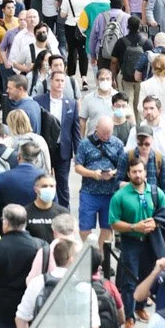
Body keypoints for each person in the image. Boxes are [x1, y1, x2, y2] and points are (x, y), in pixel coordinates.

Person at [109, 156, 165, 328]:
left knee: (147, 277)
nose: (137, 174)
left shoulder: (156, 192)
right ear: (128, 173)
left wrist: (154, 224)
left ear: (145, 172)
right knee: (129, 281)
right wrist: (134, 227)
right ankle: (129, 317)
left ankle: (141, 307)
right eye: (134, 171)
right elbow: (113, 222)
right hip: (131, 242)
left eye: (140, 171)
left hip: (151, 242)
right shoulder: (120, 196)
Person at [74, 116, 125, 246]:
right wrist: (92, 174)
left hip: (110, 193)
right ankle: (92, 250)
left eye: (109, 133)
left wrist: (113, 173)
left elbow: (123, 167)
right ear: (96, 128)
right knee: (84, 229)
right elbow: (78, 167)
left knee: (107, 228)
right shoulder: (85, 144)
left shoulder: (117, 144)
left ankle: (102, 256)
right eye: (103, 133)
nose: (106, 136)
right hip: (89, 191)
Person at [36, 70, 80, 207]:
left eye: (62, 81)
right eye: (57, 80)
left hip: (63, 149)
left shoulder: (71, 104)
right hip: (44, 149)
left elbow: (75, 129)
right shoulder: (39, 101)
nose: (60, 83)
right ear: (50, 82)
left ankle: (64, 214)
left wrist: (78, 153)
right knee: (43, 181)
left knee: (63, 184)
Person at [23, 171, 66, 245]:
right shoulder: (24, 213)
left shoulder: (63, 213)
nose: (48, 189)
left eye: (52, 186)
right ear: (36, 189)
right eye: (44, 186)